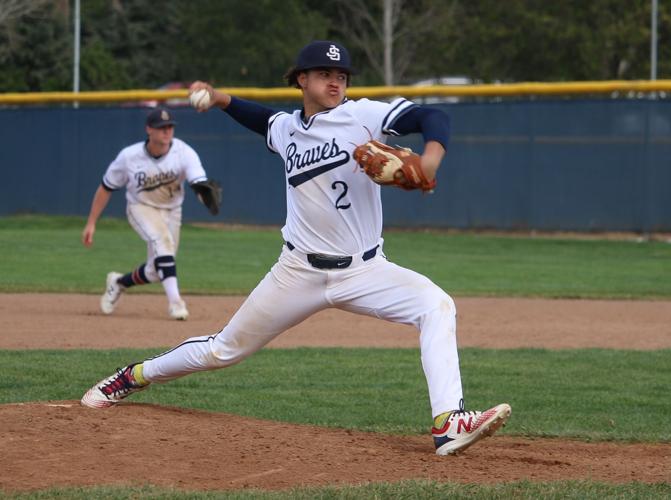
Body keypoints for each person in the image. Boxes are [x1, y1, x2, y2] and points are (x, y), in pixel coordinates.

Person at [81, 41, 511, 455]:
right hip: (297, 273)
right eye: (325, 74)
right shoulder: (287, 129)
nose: (336, 82)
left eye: (341, 74)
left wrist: (430, 160)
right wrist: (219, 98)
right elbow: (260, 118)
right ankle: (133, 376)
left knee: (436, 306)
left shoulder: (363, 115)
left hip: (365, 271)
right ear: (301, 79)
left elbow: (433, 115)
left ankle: (447, 423)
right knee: (223, 349)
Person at [82, 107, 210, 321]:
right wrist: (91, 222)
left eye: (170, 127)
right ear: (149, 129)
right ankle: (176, 303)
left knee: (155, 270)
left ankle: (119, 283)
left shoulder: (184, 152)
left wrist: (204, 194)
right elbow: (106, 188)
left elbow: (199, 182)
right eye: (161, 127)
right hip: (140, 207)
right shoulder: (129, 157)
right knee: (164, 243)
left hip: (172, 210)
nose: (167, 131)